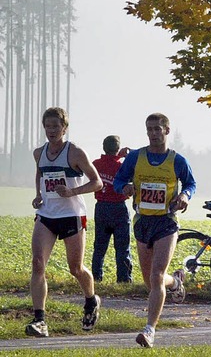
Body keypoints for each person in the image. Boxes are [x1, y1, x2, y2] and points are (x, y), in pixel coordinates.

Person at [113, 113, 196, 348]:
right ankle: (176, 282)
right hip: (142, 221)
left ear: (167, 131)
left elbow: (191, 183)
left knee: (157, 274)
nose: (153, 133)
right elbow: (118, 180)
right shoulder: (136, 157)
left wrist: (184, 195)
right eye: (150, 129)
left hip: (166, 222)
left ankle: (149, 330)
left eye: (158, 129)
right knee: (150, 280)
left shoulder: (177, 160)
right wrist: (125, 188)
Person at [26, 107, 104, 338]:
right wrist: (39, 195)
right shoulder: (39, 153)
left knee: (75, 268)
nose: (51, 131)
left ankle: (91, 300)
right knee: (38, 263)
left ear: (64, 128)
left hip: (71, 215)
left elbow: (97, 183)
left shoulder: (75, 153)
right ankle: (40, 319)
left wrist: (72, 191)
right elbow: (40, 174)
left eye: (55, 127)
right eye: (48, 126)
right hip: (47, 215)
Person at [91, 135, 133, 283]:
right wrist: (125, 156)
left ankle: (96, 278)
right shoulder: (122, 166)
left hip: (101, 207)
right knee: (122, 247)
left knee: (99, 247)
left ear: (104, 147)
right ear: (117, 149)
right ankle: (124, 279)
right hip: (119, 208)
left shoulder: (95, 164)